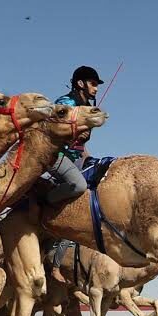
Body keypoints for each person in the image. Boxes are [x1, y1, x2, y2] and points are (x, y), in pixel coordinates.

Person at [49, 66, 104, 283]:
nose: (96, 89)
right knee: (78, 187)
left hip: (73, 158)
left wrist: (90, 158)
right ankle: (47, 200)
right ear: (80, 83)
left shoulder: (85, 106)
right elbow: (55, 132)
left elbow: (79, 146)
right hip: (55, 157)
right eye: (93, 83)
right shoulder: (66, 103)